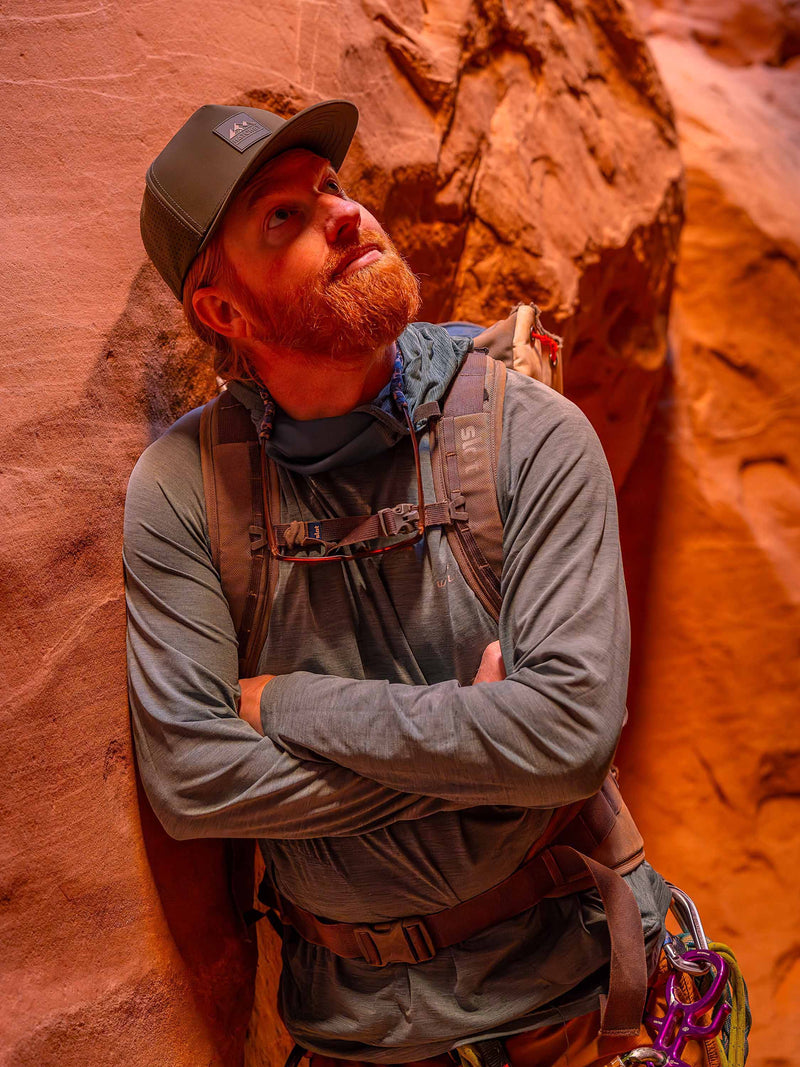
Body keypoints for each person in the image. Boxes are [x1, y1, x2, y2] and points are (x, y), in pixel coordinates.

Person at [126, 99, 673, 1067]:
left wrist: (288, 703)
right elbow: (193, 783)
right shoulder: (183, 494)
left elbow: (566, 736)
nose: (343, 213)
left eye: (330, 186)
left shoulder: (527, 432)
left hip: (579, 1009)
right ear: (222, 310)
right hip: (351, 1036)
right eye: (281, 218)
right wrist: (482, 756)